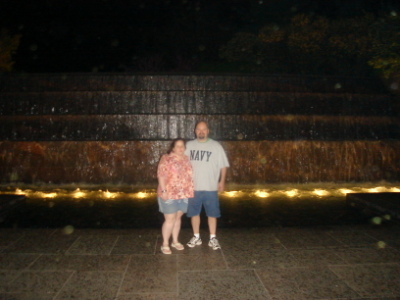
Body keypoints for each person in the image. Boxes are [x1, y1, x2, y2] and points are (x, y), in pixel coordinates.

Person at [185, 121, 229, 250]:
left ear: (208, 131)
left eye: (204, 129)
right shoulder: (188, 145)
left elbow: (223, 166)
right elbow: (181, 163)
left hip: (210, 187)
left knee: (212, 214)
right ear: (195, 131)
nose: (201, 131)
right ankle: (196, 236)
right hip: (193, 187)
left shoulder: (216, 146)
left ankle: (213, 238)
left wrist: (222, 181)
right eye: (199, 129)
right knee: (194, 213)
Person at [157, 138, 194, 254]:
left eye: (182, 146)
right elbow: (161, 175)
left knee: (177, 218)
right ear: (173, 148)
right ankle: (165, 243)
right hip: (169, 194)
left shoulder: (186, 159)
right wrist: (163, 191)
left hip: (184, 194)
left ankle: (175, 241)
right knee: (170, 219)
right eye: (177, 146)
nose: (180, 148)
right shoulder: (166, 158)